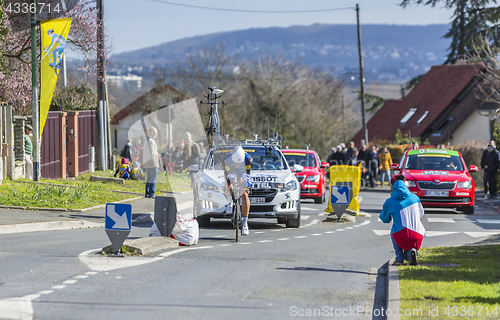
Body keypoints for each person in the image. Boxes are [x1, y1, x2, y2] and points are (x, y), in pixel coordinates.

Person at [380, 175, 425, 266]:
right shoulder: (415, 198)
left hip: (400, 234)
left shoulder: (390, 201)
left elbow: (385, 219)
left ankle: (399, 257)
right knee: (411, 244)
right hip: (417, 234)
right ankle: (412, 252)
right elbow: (421, 214)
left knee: (393, 231)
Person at [224, 146, 252, 236]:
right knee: (227, 182)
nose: (237, 164)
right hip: (231, 172)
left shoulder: (248, 160)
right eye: (236, 163)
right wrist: (232, 179)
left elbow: (246, 176)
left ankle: (245, 223)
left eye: (239, 163)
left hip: (242, 173)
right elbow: (228, 176)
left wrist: (243, 181)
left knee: (245, 195)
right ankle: (229, 202)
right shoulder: (227, 160)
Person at [143, 127, 160, 198]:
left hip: (147, 163)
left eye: (156, 132)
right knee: (153, 178)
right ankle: (151, 193)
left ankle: (147, 192)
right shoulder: (151, 141)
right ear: (150, 132)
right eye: (154, 132)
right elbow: (152, 154)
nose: (155, 134)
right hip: (152, 163)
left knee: (149, 178)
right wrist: (155, 164)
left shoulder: (147, 141)